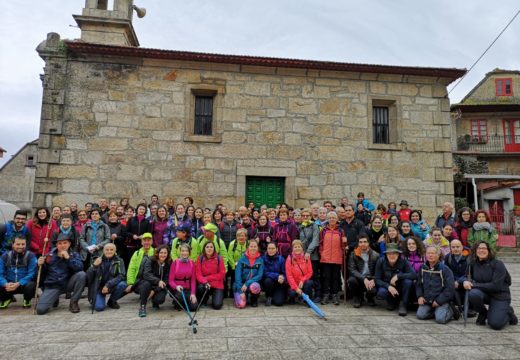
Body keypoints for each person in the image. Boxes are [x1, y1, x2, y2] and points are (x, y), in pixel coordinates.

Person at [463, 241, 518, 330]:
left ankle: (508, 312)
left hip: (500, 296)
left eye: (484, 248)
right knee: (473, 294)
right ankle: (483, 313)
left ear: (488, 250)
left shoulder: (498, 264)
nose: (481, 250)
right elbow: (466, 276)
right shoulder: (472, 263)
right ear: (475, 250)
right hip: (485, 294)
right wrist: (465, 281)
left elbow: (496, 286)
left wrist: (473, 284)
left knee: (495, 324)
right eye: (479, 248)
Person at [36, 233, 87, 315]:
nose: (62, 245)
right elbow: (41, 273)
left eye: (65, 243)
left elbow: (79, 268)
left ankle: (74, 302)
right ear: (56, 245)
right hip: (53, 285)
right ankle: (54, 298)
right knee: (40, 310)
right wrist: (39, 265)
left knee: (81, 275)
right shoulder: (49, 255)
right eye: (60, 243)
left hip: (67, 283)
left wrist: (68, 259)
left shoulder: (74, 254)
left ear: (69, 244)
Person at [416, 246, 456, 324]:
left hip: (441, 300)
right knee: (420, 315)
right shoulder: (422, 268)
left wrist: (439, 301)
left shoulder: (445, 269)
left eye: (433, 253)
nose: (430, 255)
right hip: (427, 300)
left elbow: (450, 288)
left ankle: (451, 311)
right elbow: (419, 284)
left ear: (438, 255)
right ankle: (436, 312)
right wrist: (420, 296)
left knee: (440, 320)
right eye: (428, 253)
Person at [374, 243, 417, 316]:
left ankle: (403, 304)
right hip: (387, 286)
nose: (391, 256)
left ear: (398, 254)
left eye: (394, 253)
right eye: (389, 254)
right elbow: (377, 279)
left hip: (400, 286)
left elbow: (413, 275)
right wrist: (388, 286)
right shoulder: (381, 261)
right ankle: (391, 301)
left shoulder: (403, 261)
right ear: (386, 255)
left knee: (408, 282)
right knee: (381, 292)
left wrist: (398, 276)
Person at [87, 243, 126, 312]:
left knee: (123, 284)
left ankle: (111, 301)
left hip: (110, 285)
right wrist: (94, 265)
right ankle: (97, 298)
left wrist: (108, 285)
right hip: (98, 287)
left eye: (111, 250)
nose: (109, 251)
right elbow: (88, 276)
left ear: (115, 251)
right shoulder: (96, 259)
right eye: (107, 249)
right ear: (103, 251)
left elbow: (121, 275)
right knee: (99, 308)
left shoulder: (119, 260)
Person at [0, 236, 37, 309]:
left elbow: (32, 274)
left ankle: (27, 300)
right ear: (13, 244)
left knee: (31, 285)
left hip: (23, 284)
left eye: (23, 244)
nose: (21, 246)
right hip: (9, 285)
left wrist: (19, 283)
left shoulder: (31, 256)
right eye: (18, 244)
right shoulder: (5, 256)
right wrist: (5, 283)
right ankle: (6, 298)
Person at [124, 233, 155, 317]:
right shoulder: (137, 253)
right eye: (144, 240)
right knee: (144, 284)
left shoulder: (156, 253)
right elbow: (131, 268)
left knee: (146, 283)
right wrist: (130, 283)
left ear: (152, 241)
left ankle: (143, 305)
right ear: (141, 242)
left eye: (149, 240)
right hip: (138, 281)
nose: (146, 242)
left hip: (151, 280)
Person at [319, 212, 347, 305]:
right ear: (328, 219)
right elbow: (320, 243)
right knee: (326, 277)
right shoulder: (323, 230)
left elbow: (343, 245)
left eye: (333, 218)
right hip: (325, 258)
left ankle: (335, 295)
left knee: (335, 277)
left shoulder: (340, 230)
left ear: (336, 219)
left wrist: (345, 242)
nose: (332, 219)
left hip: (336, 257)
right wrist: (321, 253)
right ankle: (325, 295)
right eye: (330, 218)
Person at [347, 234, 379, 308]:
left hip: (371, 278)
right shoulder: (353, 254)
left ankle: (370, 297)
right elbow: (352, 270)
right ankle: (357, 297)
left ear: (368, 243)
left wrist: (373, 279)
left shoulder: (376, 255)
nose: (363, 244)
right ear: (358, 243)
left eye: (365, 241)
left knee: (373, 290)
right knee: (351, 280)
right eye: (360, 242)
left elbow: (378, 271)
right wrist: (363, 279)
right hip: (359, 278)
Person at [141, 244, 171, 315]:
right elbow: (146, 274)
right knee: (146, 284)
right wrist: (158, 281)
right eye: (161, 253)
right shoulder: (150, 260)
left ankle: (155, 302)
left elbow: (166, 279)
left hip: (160, 286)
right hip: (149, 283)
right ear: (157, 253)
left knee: (160, 299)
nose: (163, 255)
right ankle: (142, 306)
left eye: (165, 253)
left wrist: (154, 291)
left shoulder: (169, 263)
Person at [444, 239, 472, 315]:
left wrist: (459, 281)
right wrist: (453, 281)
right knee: (452, 289)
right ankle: (459, 309)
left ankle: (468, 308)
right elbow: (447, 272)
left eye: (458, 247)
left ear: (462, 247)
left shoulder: (469, 258)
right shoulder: (448, 258)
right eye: (453, 247)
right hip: (453, 281)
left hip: (466, 280)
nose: (455, 249)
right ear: (450, 248)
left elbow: (469, 273)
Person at [233, 239, 264, 308]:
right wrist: (240, 291)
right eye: (251, 246)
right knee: (241, 305)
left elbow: (259, 275)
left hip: (252, 284)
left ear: (257, 248)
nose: (253, 248)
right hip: (240, 285)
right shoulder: (241, 259)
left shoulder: (260, 260)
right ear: (248, 247)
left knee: (255, 286)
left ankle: (254, 300)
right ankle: (242, 295)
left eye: (255, 246)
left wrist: (247, 283)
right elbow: (237, 276)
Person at [195, 241, 226, 310]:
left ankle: (218, 298)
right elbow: (198, 274)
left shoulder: (219, 258)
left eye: (211, 247)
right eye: (207, 247)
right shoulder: (200, 258)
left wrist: (206, 278)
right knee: (200, 287)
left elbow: (222, 274)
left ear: (214, 248)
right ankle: (204, 300)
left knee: (217, 306)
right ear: (204, 248)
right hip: (205, 284)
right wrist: (205, 282)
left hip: (217, 284)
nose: (209, 249)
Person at [299, 208, 321, 302]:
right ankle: (307, 295)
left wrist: (308, 251)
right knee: (305, 276)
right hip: (302, 256)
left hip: (312, 256)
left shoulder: (315, 226)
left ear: (310, 216)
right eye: (303, 216)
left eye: (307, 216)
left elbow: (315, 240)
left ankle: (318, 294)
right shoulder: (300, 227)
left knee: (315, 275)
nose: (305, 217)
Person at [168, 243, 197, 311]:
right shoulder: (175, 263)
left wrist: (193, 294)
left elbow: (193, 280)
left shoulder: (192, 263)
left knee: (194, 307)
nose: (184, 253)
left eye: (186, 251)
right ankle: (177, 301)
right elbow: (171, 280)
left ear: (189, 252)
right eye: (183, 251)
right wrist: (176, 286)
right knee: (179, 299)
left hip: (187, 289)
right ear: (180, 252)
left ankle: (184, 301)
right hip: (178, 289)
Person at [285, 240, 313, 304]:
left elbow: (310, 272)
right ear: (292, 248)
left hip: (303, 283)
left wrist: (302, 280)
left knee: (309, 283)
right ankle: (293, 298)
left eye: (299, 246)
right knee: (292, 293)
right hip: (294, 283)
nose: (297, 248)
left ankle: (307, 300)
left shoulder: (306, 257)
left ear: (302, 248)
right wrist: (296, 288)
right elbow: (289, 276)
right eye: (295, 247)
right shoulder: (289, 259)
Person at [262, 242, 286, 306]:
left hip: (279, 283)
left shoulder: (281, 259)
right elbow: (264, 272)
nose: (271, 250)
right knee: (268, 281)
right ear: (267, 249)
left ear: (277, 249)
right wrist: (277, 276)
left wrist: (283, 278)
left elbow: (284, 273)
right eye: (269, 248)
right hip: (269, 282)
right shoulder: (263, 259)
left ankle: (278, 295)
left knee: (279, 303)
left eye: (273, 248)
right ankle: (269, 296)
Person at [227, 228, 249, 298]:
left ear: (246, 237)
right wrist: (234, 265)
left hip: (246, 265)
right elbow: (229, 255)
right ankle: (232, 292)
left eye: (242, 236)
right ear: (236, 237)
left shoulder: (249, 244)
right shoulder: (232, 244)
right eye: (239, 236)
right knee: (234, 274)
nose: (241, 237)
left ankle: (245, 291)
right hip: (234, 265)